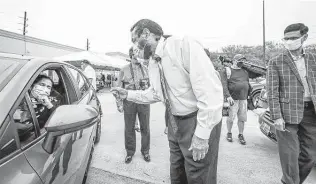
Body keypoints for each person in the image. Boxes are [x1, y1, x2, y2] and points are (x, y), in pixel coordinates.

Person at [111, 19, 223, 184]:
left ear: (146, 34)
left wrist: (202, 134)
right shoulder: (154, 62)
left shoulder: (183, 46)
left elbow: (210, 93)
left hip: (197, 120)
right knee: (177, 172)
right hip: (174, 122)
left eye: (135, 40)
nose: (134, 46)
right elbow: (156, 94)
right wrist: (127, 94)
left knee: (198, 175)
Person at [266, 23, 316, 184]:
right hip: (286, 114)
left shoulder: (313, 59)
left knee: (310, 155)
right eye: (286, 39)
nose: (289, 41)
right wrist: (276, 117)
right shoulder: (276, 61)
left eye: (293, 38)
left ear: (304, 38)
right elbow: (272, 91)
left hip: (310, 113)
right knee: (290, 156)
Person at [116, 46, 151, 164]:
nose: (139, 57)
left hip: (143, 101)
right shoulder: (123, 69)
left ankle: (145, 151)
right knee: (129, 128)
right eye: (136, 55)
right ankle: (130, 152)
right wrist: (119, 104)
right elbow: (118, 89)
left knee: (145, 127)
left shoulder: (146, 69)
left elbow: (151, 86)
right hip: (129, 102)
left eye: (140, 55)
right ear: (131, 56)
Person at [225, 54, 252, 145]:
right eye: (240, 61)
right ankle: (229, 133)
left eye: (242, 61)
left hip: (243, 99)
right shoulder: (228, 71)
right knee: (231, 118)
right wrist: (228, 96)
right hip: (233, 99)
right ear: (234, 61)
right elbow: (224, 85)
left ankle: (241, 134)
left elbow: (247, 82)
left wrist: (248, 95)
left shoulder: (245, 72)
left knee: (242, 118)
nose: (241, 62)